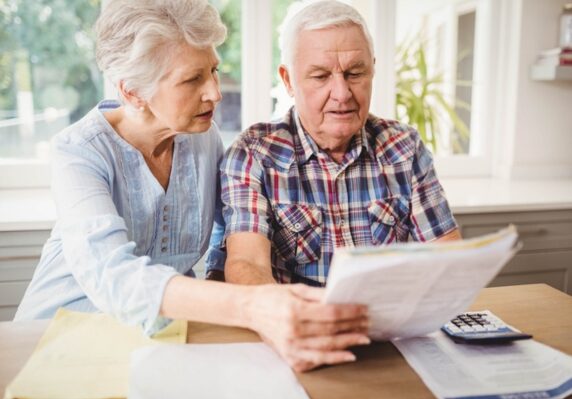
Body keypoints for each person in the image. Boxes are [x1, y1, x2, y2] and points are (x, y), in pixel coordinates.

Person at [14, 0, 370, 372]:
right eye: (192, 79)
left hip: (156, 343)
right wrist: (251, 305)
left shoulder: (202, 137)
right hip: (55, 341)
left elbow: (226, 233)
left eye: (213, 70)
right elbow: (112, 276)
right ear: (134, 92)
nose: (215, 92)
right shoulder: (78, 153)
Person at [221, 0, 462, 287]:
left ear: (372, 70)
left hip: (388, 323)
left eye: (355, 73)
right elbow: (247, 265)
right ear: (288, 80)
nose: (342, 93)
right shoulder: (254, 154)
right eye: (321, 76)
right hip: (302, 324)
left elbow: (447, 256)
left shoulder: (404, 147)